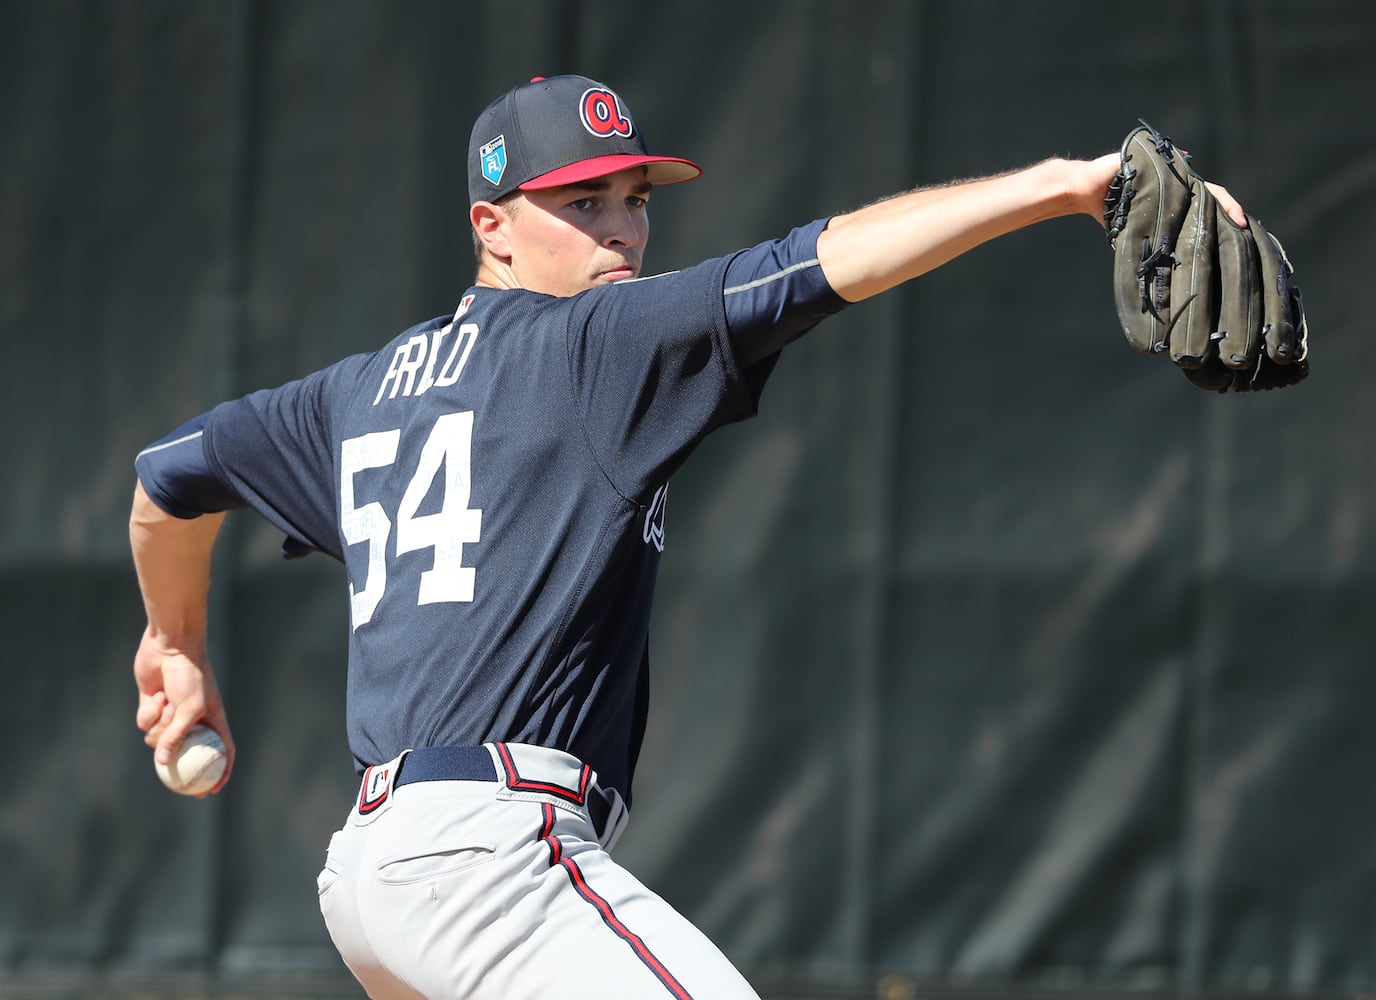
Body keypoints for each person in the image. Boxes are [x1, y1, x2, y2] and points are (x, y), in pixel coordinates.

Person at [129, 75, 1248, 999]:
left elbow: (166, 484)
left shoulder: (355, 393)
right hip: (493, 861)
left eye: (630, 197)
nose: (618, 228)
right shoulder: (597, 344)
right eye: (579, 203)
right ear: (491, 226)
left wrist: (174, 642)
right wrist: (1062, 187)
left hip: (372, 879)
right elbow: (821, 260)